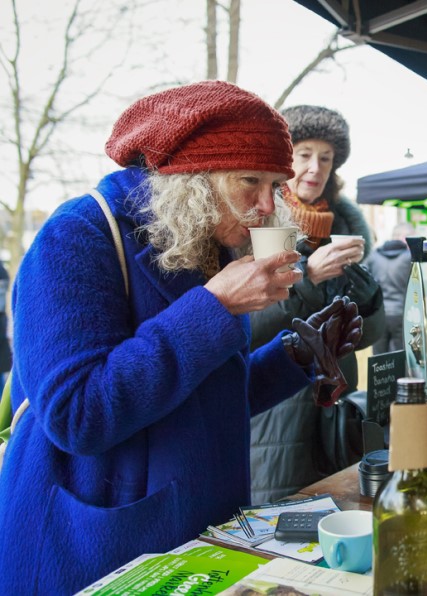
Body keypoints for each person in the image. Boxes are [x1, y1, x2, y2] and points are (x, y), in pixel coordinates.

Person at [0, 81, 362, 594]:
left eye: (275, 184)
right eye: (248, 181)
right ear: (191, 179)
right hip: (93, 550)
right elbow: (76, 414)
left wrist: (296, 356)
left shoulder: (207, 244)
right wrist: (215, 307)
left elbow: (206, 397)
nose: (265, 205)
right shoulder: (77, 235)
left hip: (195, 541)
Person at [249, 105, 384, 504]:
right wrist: (307, 278)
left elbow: (366, 338)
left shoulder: (345, 230)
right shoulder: (258, 221)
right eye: (304, 154)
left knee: (338, 513)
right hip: (278, 414)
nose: (315, 167)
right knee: (280, 525)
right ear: (284, 160)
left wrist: (366, 295)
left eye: (326, 158)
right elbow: (247, 327)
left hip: (337, 412)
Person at [364, 222, 415, 355]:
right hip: (401, 314)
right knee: (399, 356)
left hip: (379, 314)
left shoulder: (373, 256)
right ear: (403, 236)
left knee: (379, 357)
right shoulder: (409, 258)